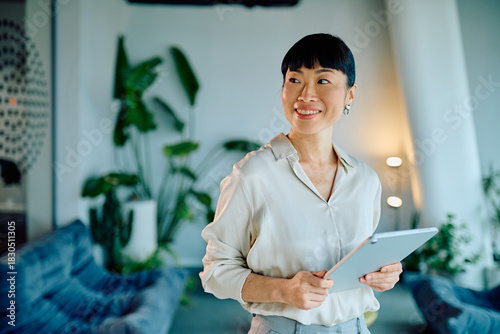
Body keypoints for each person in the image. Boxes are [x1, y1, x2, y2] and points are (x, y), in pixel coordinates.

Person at [199, 33, 402, 334]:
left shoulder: (365, 180)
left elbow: (359, 263)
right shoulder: (252, 174)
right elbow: (215, 272)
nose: (305, 94)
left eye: (323, 81)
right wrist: (284, 290)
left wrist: (383, 274)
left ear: (350, 94)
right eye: (295, 80)